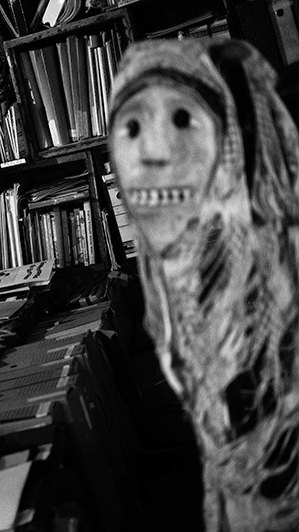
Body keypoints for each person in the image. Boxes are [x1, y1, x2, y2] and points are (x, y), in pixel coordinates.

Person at [108, 39, 299, 531]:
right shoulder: (174, 257)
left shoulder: (271, 244)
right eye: (132, 128)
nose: (153, 155)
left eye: (180, 120)